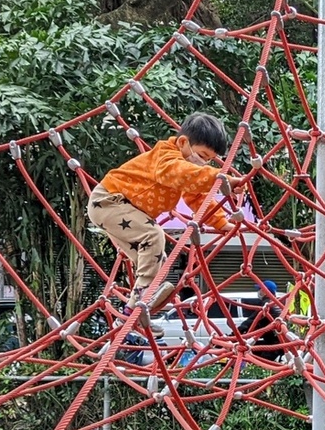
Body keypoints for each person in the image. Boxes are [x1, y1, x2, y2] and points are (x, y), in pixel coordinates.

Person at [87, 113, 243, 315]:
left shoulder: (186, 168)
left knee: (156, 259)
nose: (204, 163)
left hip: (123, 210)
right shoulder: (166, 156)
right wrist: (220, 179)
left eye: (210, 161)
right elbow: (178, 172)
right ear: (183, 142)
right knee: (153, 236)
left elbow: (196, 197)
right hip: (110, 201)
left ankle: (130, 316)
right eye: (203, 156)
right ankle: (144, 296)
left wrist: (221, 222)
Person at [236, 280, 285, 362]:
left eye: (260, 289)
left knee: (258, 362)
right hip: (279, 342)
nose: (258, 292)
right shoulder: (276, 303)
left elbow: (252, 320)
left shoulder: (267, 306)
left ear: (265, 291)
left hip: (274, 344)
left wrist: (235, 334)